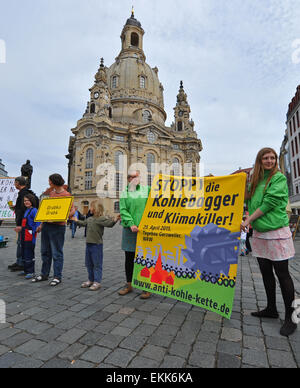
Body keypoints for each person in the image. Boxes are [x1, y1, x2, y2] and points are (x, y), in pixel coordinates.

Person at [241, 147, 298, 337]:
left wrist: (248, 220)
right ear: (259, 160)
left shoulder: (278, 178)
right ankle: (271, 308)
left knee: (283, 274)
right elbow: (250, 203)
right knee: (265, 272)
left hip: (276, 231)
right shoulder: (254, 181)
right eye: (265, 158)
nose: (270, 160)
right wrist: (247, 216)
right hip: (260, 232)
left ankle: (291, 317)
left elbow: (269, 203)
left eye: (272, 158)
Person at [32, 174, 75, 286]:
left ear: (53, 181)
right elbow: (47, 210)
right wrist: (41, 224)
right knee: (45, 251)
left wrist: (62, 217)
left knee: (57, 252)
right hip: (47, 225)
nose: (48, 182)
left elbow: (72, 211)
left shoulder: (66, 194)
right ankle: (44, 274)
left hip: (58, 227)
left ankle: (57, 276)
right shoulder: (51, 193)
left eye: (49, 180)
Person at [72, 200, 120, 291]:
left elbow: (109, 224)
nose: (90, 208)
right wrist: (76, 221)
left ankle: (97, 282)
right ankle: (90, 280)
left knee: (97, 264)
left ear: (96, 208)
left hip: (97, 245)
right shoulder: (89, 219)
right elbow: (83, 223)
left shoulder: (101, 219)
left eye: (91, 207)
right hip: (88, 245)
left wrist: (115, 219)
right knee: (89, 264)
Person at [119, 170, 151, 299]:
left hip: (145, 230)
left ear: (139, 178)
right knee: (129, 258)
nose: (133, 178)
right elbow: (123, 209)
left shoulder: (147, 190)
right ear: (128, 179)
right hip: (129, 230)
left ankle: (146, 287)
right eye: (130, 176)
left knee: (145, 259)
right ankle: (129, 284)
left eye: (135, 176)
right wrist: (131, 223)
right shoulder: (125, 193)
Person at [8, 177, 39, 272]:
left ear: (18, 183)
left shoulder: (23, 193)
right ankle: (20, 261)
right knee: (21, 243)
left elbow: (22, 210)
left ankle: (21, 262)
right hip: (24, 224)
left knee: (21, 243)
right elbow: (21, 208)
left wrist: (19, 224)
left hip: (24, 225)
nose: (14, 184)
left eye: (15, 183)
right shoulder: (28, 192)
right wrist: (15, 207)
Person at [15, 194, 41, 279]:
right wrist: (20, 228)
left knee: (29, 253)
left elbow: (37, 223)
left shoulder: (34, 210)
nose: (26, 202)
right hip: (24, 234)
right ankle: (26, 269)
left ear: (32, 201)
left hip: (30, 235)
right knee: (24, 252)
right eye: (25, 201)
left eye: (28, 200)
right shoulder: (26, 210)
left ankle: (31, 271)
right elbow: (25, 224)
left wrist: (36, 230)